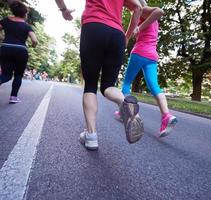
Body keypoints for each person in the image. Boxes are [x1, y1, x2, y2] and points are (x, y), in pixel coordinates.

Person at [55, 0, 144, 150]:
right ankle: (124, 102)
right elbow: (138, 7)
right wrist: (126, 36)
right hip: (117, 34)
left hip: (94, 27)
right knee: (108, 86)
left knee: (90, 85)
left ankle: (91, 136)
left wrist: (63, 9)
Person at [116, 0, 178, 137]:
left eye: (127, 4)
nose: (127, 6)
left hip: (139, 52)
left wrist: (139, 27)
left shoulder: (143, 11)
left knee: (126, 83)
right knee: (155, 86)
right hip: (152, 56)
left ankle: (126, 113)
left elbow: (160, 11)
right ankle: (166, 116)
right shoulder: (153, 21)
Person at [0, 1, 38, 104]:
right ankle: (13, 97)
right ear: (24, 14)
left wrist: (3, 39)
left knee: (6, 74)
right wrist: (33, 45)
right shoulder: (27, 26)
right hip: (21, 50)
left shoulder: (6, 21)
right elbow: (35, 40)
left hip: (6, 48)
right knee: (18, 75)